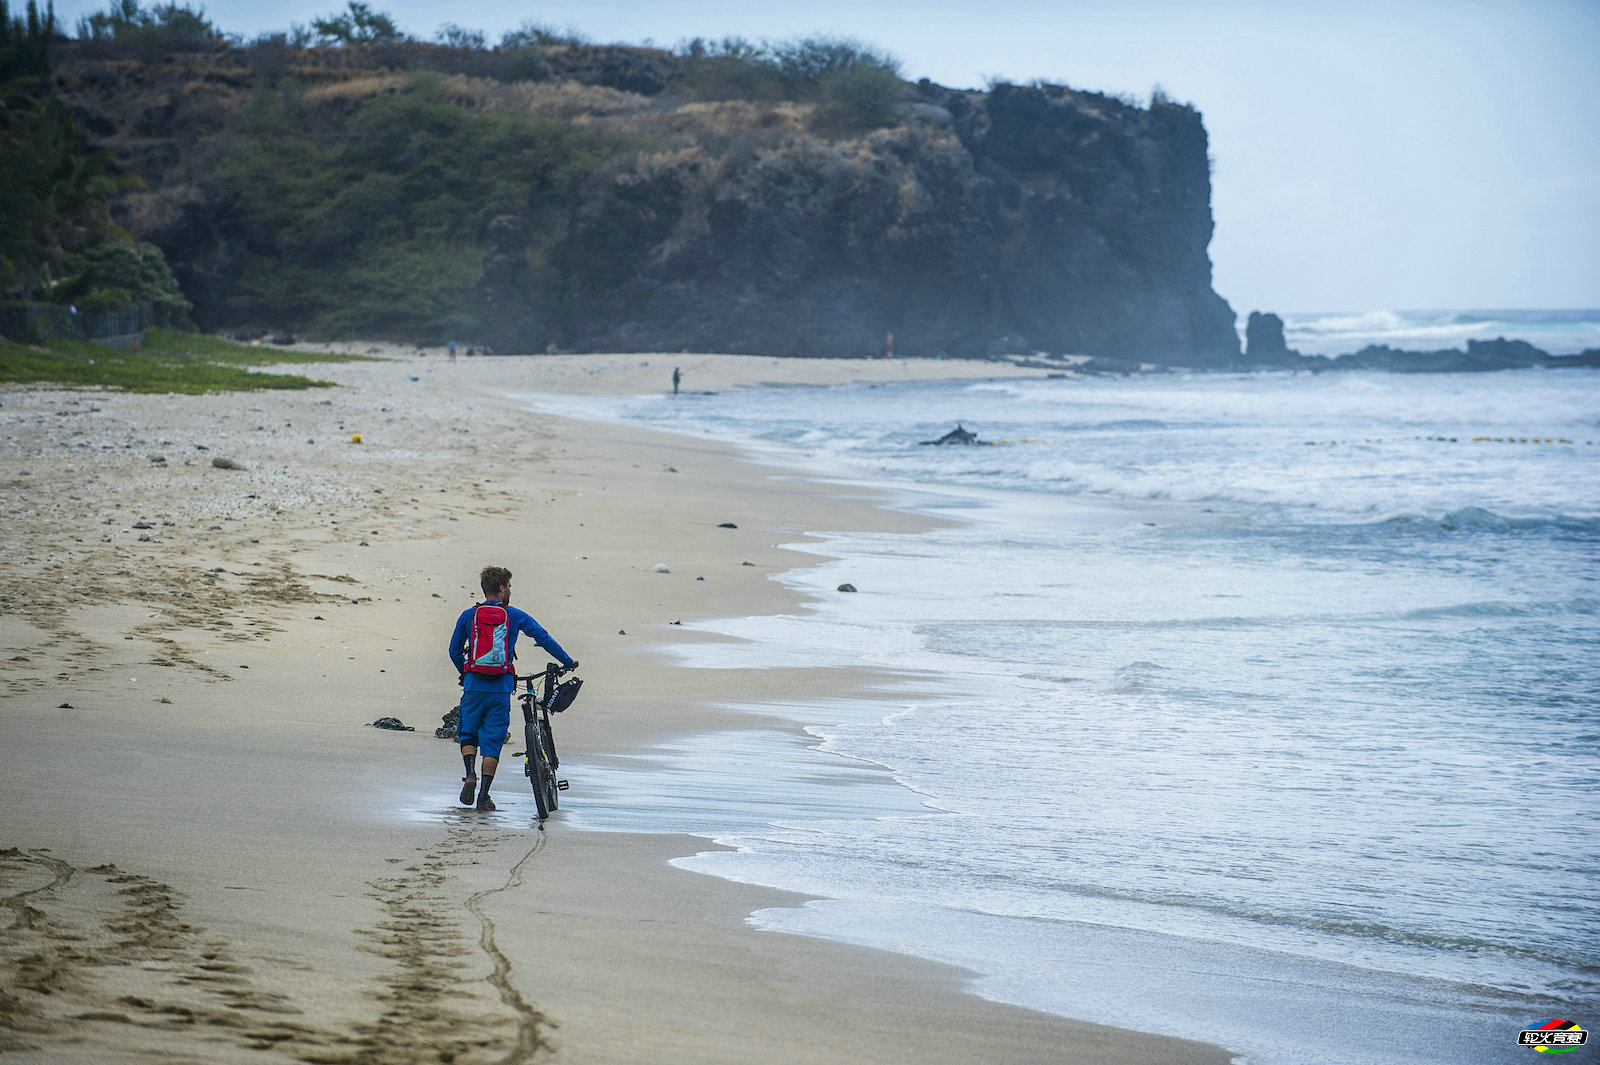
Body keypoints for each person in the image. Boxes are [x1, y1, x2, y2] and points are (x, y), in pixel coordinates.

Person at [447, 565, 577, 811]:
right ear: (501, 588)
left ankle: (470, 775)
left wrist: (465, 673)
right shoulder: (515, 615)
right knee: (493, 740)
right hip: (501, 687)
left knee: (468, 733)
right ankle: (484, 796)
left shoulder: (468, 616)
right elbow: (542, 636)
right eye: (509, 586)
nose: (510, 591)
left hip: (474, 686)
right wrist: (567, 661)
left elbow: (454, 650)